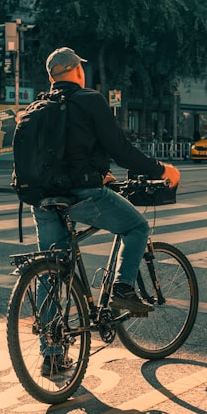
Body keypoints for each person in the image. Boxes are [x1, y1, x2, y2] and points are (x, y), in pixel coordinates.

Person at [28, 47, 181, 317]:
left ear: (52, 78)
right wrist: (161, 169)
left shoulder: (39, 106)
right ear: (78, 70)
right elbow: (121, 150)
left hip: (43, 198)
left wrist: (101, 173)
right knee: (136, 227)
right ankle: (122, 289)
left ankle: (50, 352)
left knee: (51, 271)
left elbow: (59, 154)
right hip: (82, 194)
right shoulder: (90, 100)